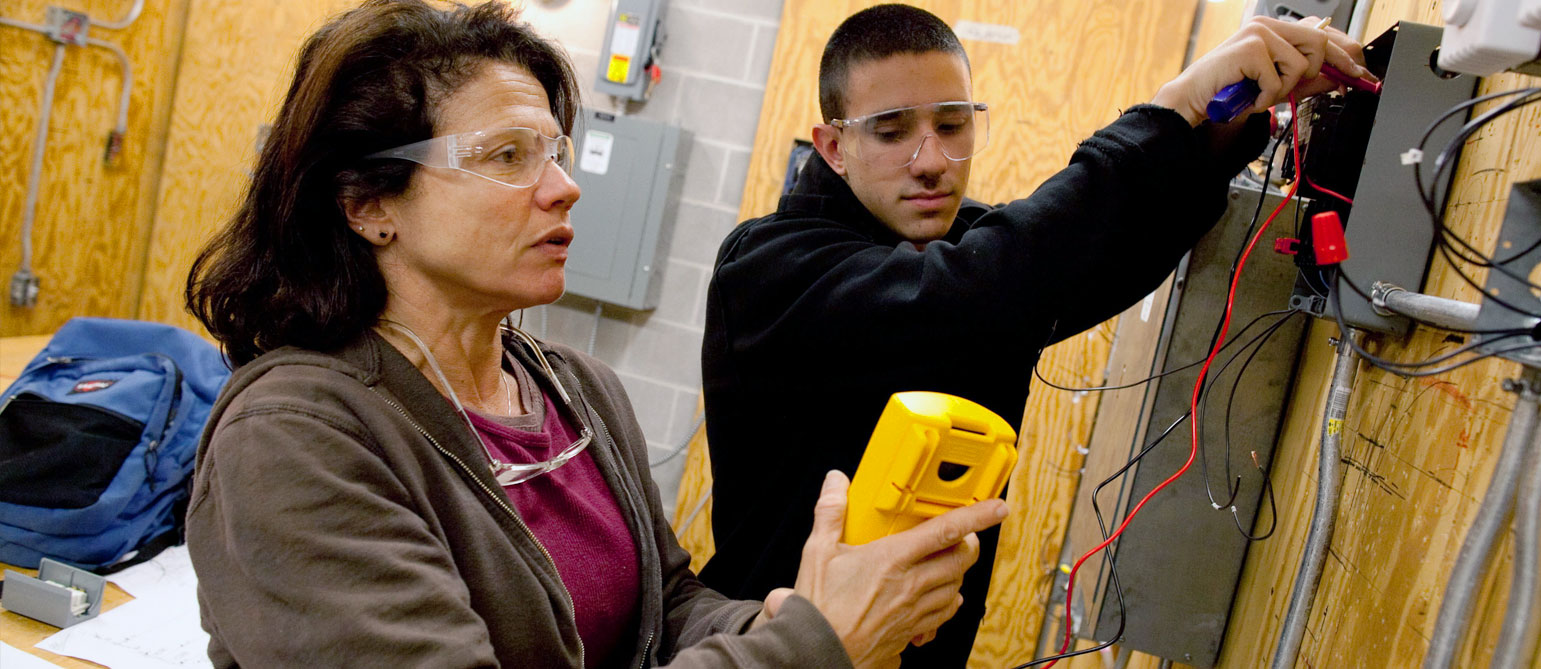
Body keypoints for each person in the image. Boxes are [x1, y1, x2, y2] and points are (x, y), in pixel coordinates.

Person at [182, 2, 1006, 667]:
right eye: (509, 155)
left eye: (558, 152)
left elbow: (668, 609)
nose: (566, 188)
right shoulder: (294, 439)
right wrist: (817, 641)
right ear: (367, 204)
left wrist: (785, 616)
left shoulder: (574, 389)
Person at [699, 4, 1368, 666]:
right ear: (834, 146)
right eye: (892, 131)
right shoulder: (770, 268)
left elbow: (1092, 260)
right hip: (783, 650)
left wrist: (1220, 130)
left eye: (953, 124)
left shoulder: (961, 248)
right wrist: (1168, 109)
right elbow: (977, 290)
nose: (931, 159)